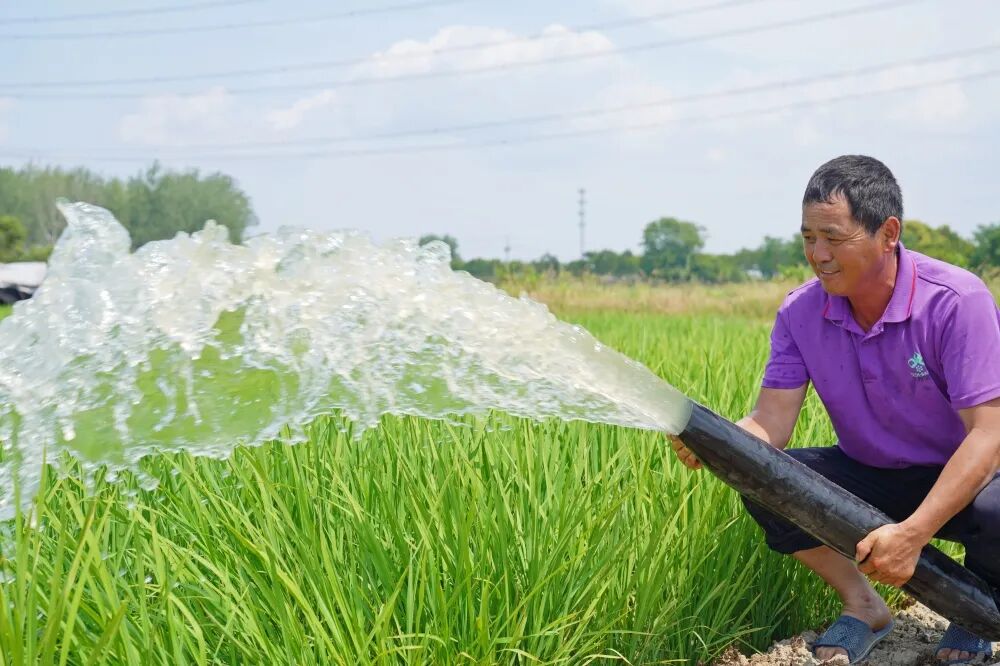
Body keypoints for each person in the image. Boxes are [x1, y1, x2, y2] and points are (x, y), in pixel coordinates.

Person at [669, 155, 1000, 664]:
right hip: (874, 472)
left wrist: (912, 536)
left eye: (833, 237)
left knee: (997, 510)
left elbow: (987, 435)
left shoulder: (956, 301)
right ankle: (864, 604)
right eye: (807, 238)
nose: (817, 254)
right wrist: (719, 444)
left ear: (888, 233)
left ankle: (976, 610)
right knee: (765, 479)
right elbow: (770, 423)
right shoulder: (801, 311)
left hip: (968, 474)